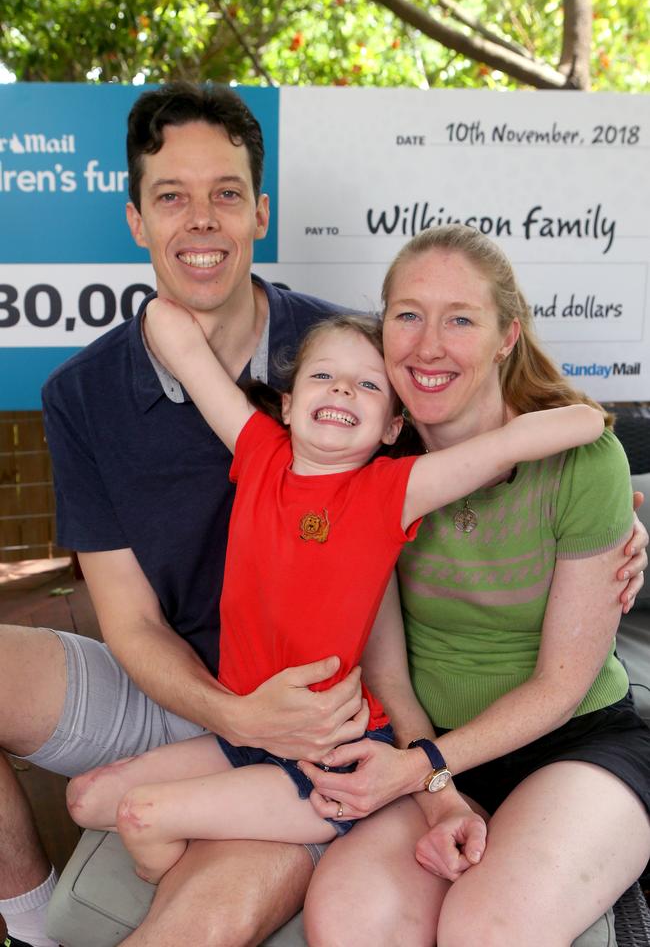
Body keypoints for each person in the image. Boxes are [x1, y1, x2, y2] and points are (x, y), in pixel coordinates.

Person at [0, 84, 645, 947]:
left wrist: (601, 497)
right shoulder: (100, 398)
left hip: (380, 716)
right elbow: (136, 619)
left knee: (448, 923)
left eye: (225, 193)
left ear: (260, 211)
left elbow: (485, 437)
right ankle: (28, 925)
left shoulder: (352, 372)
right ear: (136, 219)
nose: (201, 220)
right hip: (233, 696)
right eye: (172, 198)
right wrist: (243, 719)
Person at [65, 302, 604, 884]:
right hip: (248, 732)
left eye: (368, 385)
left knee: (142, 817)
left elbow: (551, 434)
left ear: (392, 428)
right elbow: (182, 345)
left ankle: (208, 872)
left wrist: (609, 497)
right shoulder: (260, 452)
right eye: (323, 375)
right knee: (84, 798)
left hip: (328, 761)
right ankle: (234, 833)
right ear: (290, 405)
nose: (343, 390)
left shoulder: (389, 491)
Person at [299, 224, 650, 947]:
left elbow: (561, 685)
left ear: (505, 338)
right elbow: (388, 671)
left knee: (487, 930)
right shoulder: (364, 461)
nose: (428, 345)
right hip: (425, 739)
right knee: (345, 918)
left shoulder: (583, 461)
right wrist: (434, 791)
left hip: (574, 740)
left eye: (460, 318)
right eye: (408, 314)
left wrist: (423, 772)